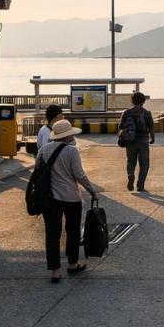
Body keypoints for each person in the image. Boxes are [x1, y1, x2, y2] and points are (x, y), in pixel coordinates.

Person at [37, 119, 101, 283]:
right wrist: (92, 191)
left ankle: (55, 271)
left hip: (50, 198)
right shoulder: (72, 151)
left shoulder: (43, 150)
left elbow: (38, 172)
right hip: (71, 197)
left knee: (52, 234)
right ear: (67, 136)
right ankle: (72, 264)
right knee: (72, 231)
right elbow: (79, 175)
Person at [120, 92, 155, 191]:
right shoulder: (147, 113)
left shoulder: (126, 112)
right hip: (143, 141)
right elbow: (151, 127)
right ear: (144, 101)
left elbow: (121, 126)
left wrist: (123, 136)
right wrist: (152, 138)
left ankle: (130, 174)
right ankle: (140, 185)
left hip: (130, 141)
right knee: (144, 164)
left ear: (132, 101)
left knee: (131, 161)